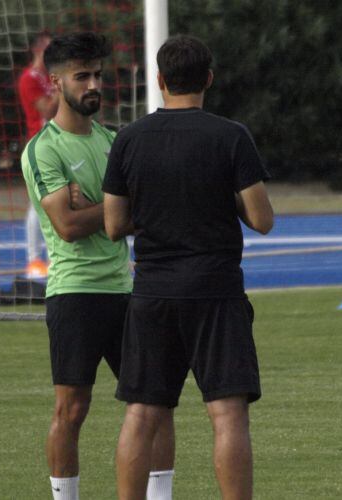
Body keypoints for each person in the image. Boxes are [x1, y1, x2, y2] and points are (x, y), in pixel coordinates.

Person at [103, 34, 274, 500]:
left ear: (159, 81)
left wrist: (162, 212)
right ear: (209, 79)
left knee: (142, 412)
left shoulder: (128, 139)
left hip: (153, 290)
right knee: (227, 413)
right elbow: (261, 219)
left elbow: (114, 225)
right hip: (215, 290)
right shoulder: (231, 136)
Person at [20, 32, 176, 500]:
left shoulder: (117, 141)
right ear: (56, 82)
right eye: (80, 76)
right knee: (71, 409)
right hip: (75, 293)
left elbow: (144, 210)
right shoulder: (44, 149)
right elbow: (67, 226)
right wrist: (117, 211)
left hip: (128, 292)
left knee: (157, 403)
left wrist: (105, 209)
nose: (92, 84)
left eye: (96, 75)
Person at [18, 32, 58, 278]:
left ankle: (53, 258)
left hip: (58, 142)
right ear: (37, 50)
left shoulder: (48, 78)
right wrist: (63, 86)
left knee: (58, 200)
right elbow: (48, 108)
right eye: (48, 48)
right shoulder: (29, 79)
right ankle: (34, 260)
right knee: (40, 201)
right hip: (40, 144)